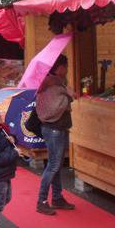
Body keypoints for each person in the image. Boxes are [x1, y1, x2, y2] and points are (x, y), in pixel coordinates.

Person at [35, 54, 75, 215]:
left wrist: (66, 93)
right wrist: (68, 97)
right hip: (54, 129)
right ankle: (41, 200)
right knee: (53, 166)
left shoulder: (56, 83)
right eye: (65, 66)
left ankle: (57, 197)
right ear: (59, 68)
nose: (67, 69)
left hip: (56, 128)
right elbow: (55, 108)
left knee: (55, 164)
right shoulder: (51, 85)